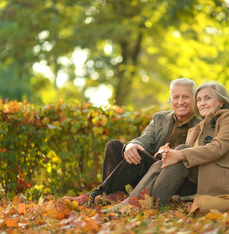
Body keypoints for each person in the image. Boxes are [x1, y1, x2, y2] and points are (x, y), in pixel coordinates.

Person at [103, 81, 229, 212]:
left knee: (181, 151)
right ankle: (131, 202)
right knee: (163, 161)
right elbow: (183, 153)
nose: (202, 103)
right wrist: (169, 154)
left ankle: (145, 204)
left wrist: (180, 154)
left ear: (221, 101)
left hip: (228, 182)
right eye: (199, 100)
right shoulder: (202, 126)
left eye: (207, 98)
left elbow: (217, 148)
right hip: (202, 176)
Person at [63, 78, 200, 206]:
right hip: (150, 176)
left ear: (194, 99)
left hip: (178, 180)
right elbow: (144, 139)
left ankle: (96, 195)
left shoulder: (202, 123)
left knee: (139, 157)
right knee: (114, 146)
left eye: (186, 97)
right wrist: (130, 145)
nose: (180, 101)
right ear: (171, 99)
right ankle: (116, 194)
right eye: (176, 97)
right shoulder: (160, 118)